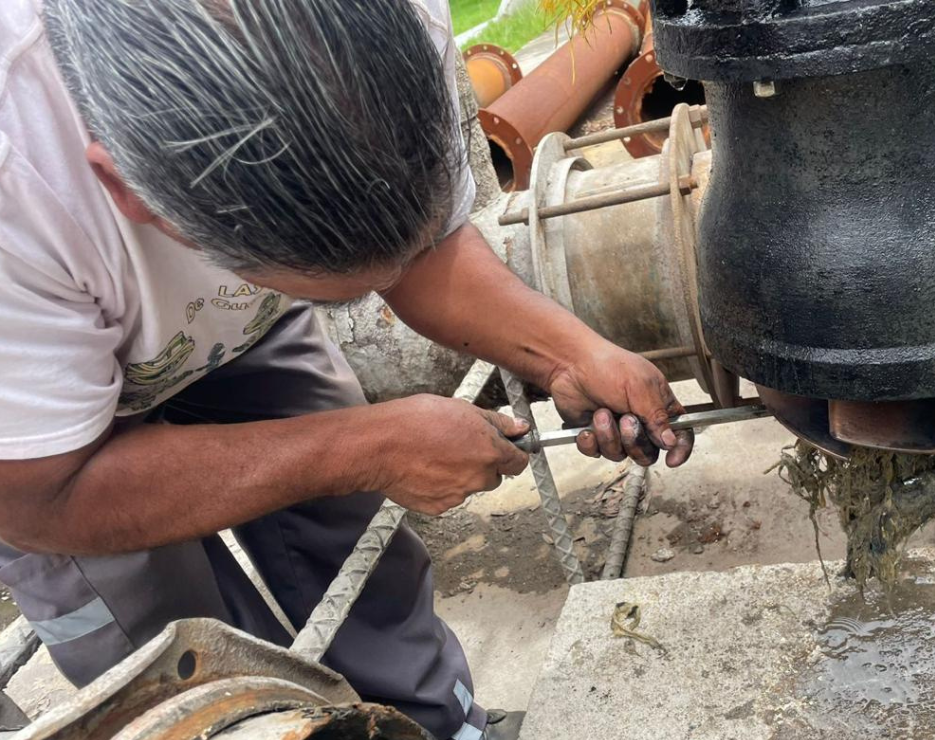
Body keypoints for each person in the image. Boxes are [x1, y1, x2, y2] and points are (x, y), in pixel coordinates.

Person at [0, 1, 694, 737]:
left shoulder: (390, 19)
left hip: (236, 306)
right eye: (331, 285)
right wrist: (369, 447)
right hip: (38, 448)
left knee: (356, 538)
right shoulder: (20, 170)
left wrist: (568, 351)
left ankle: (437, 726)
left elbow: (420, 255)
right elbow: (40, 496)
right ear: (127, 192)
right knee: (166, 656)